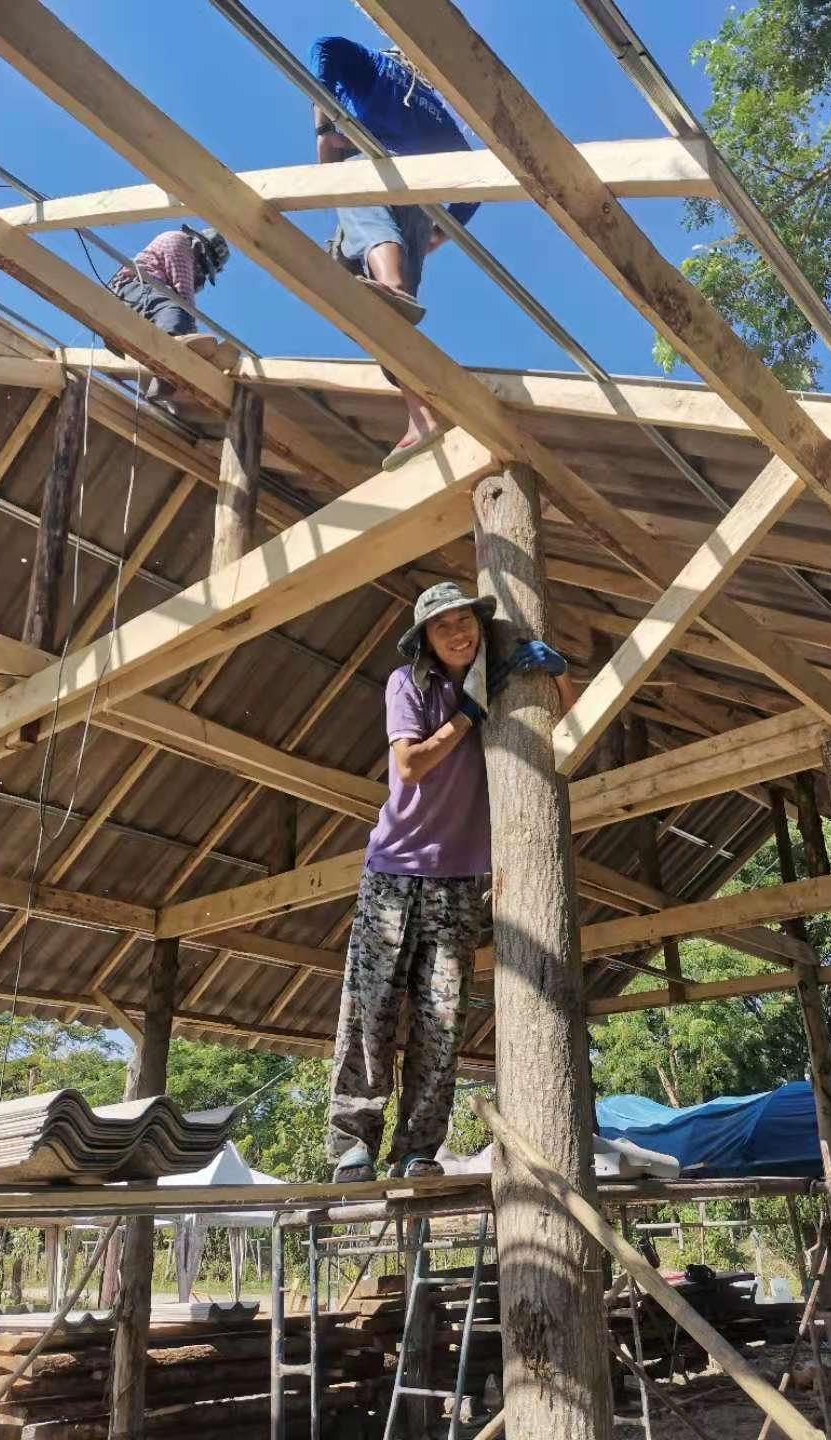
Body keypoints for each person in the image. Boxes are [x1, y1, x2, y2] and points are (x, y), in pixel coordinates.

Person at [327, 582, 575, 1183]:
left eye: (466, 621)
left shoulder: (503, 682)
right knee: (371, 1009)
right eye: (444, 626)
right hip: (395, 871)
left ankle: (417, 1150)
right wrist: (468, 713)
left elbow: (564, 732)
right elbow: (409, 765)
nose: (459, 632)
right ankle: (352, 1144)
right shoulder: (410, 684)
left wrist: (561, 676)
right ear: (427, 641)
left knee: (442, 1022)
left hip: (460, 882)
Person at [311, 37, 480, 469]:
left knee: (360, 282)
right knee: (387, 322)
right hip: (418, 209)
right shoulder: (436, 113)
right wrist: (440, 232)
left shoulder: (377, 69)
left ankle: (390, 284)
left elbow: (325, 47)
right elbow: (473, 183)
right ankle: (421, 415)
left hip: (368, 172)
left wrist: (324, 128)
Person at [107, 225, 232, 405]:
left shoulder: (186, 251)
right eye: (204, 266)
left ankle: (162, 385)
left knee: (173, 313)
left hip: (141, 299)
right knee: (175, 309)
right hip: (132, 289)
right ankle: (170, 360)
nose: (201, 272)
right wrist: (190, 334)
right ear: (200, 248)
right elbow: (184, 294)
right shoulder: (179, 241)